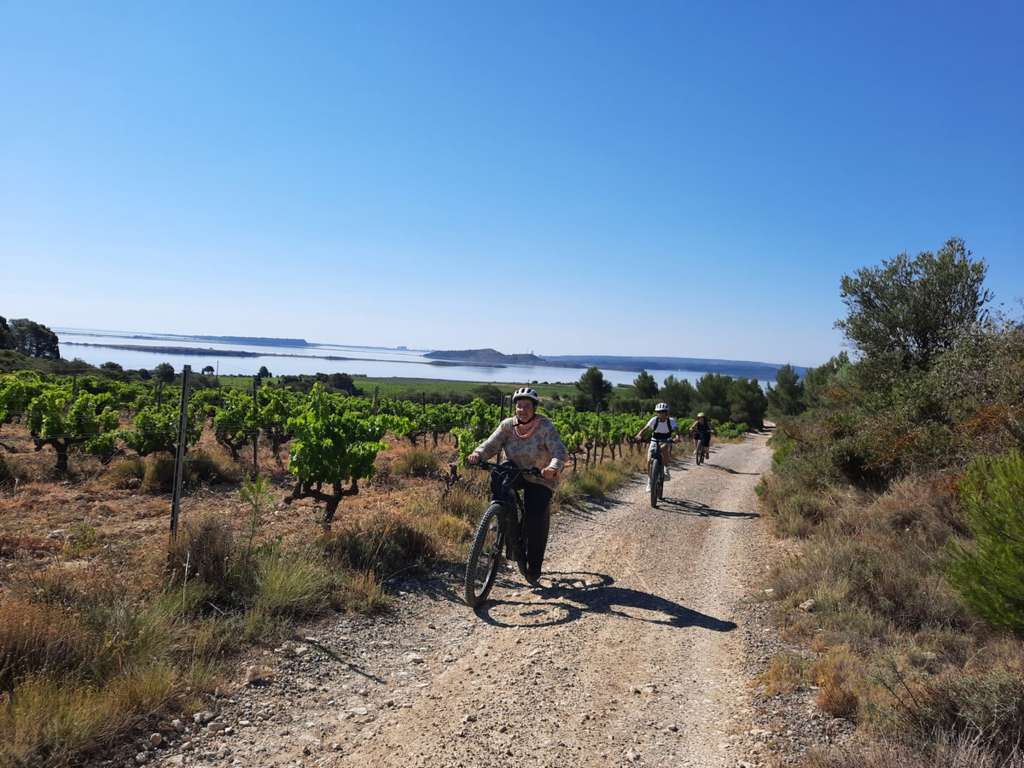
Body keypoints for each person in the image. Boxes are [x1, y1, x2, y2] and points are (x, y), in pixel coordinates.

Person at [467, 387, 566, 586]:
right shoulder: (507, 426)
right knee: (499, 472)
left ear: (534, 408)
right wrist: (478, 454)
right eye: (519, 406)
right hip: (515, 472)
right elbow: (491, 444)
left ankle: (534, 567)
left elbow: (559, 451)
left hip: (539, 477)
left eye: (527, 406)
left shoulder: (545, 426)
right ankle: (502, 512)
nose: (522, 410)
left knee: (535, 518)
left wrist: (552, 467)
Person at [635, 402, 677, 490]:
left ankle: (666, 469)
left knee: (664, 449)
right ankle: (650, 481)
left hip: (666, 439)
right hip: (655, 439)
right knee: (649, 459)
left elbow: (676, 431)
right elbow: (645, 428)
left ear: (667, 413)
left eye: (663, 412)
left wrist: (677, 437)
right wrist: (639, 434)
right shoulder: (654, 420)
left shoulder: (671, 421)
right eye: (659, 412)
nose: (661, 414)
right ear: (657, 413)